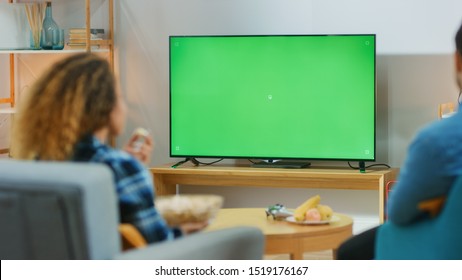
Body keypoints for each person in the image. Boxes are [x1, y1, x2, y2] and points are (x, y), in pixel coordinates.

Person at [11, 53, 207, 244]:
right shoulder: (119, 167)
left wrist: (127, 162)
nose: (124, 107)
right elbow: (158, 246)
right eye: (120, 96)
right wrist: (182, 233)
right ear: (104, 106)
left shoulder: (35, 163)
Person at [337, 21, 462, 259]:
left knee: (349, 252)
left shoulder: (436, 142)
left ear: (457, 61)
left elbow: (399, 212)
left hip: (438, 250)